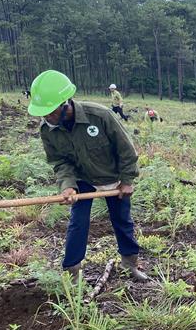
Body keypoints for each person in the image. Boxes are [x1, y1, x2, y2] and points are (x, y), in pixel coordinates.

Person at [28, 70, 149, 281]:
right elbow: (60, 161)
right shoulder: (48, 130)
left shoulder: (100, 116)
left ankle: (130, 264)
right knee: (78, 222)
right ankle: (72, 272)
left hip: (112, 177)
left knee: (122, 220)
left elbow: (126, 150)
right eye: (43, 112)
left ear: (66, 104)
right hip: (83, 180)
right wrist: (67, 185)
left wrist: (127, 180)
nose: (46, 117)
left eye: (50, 111)